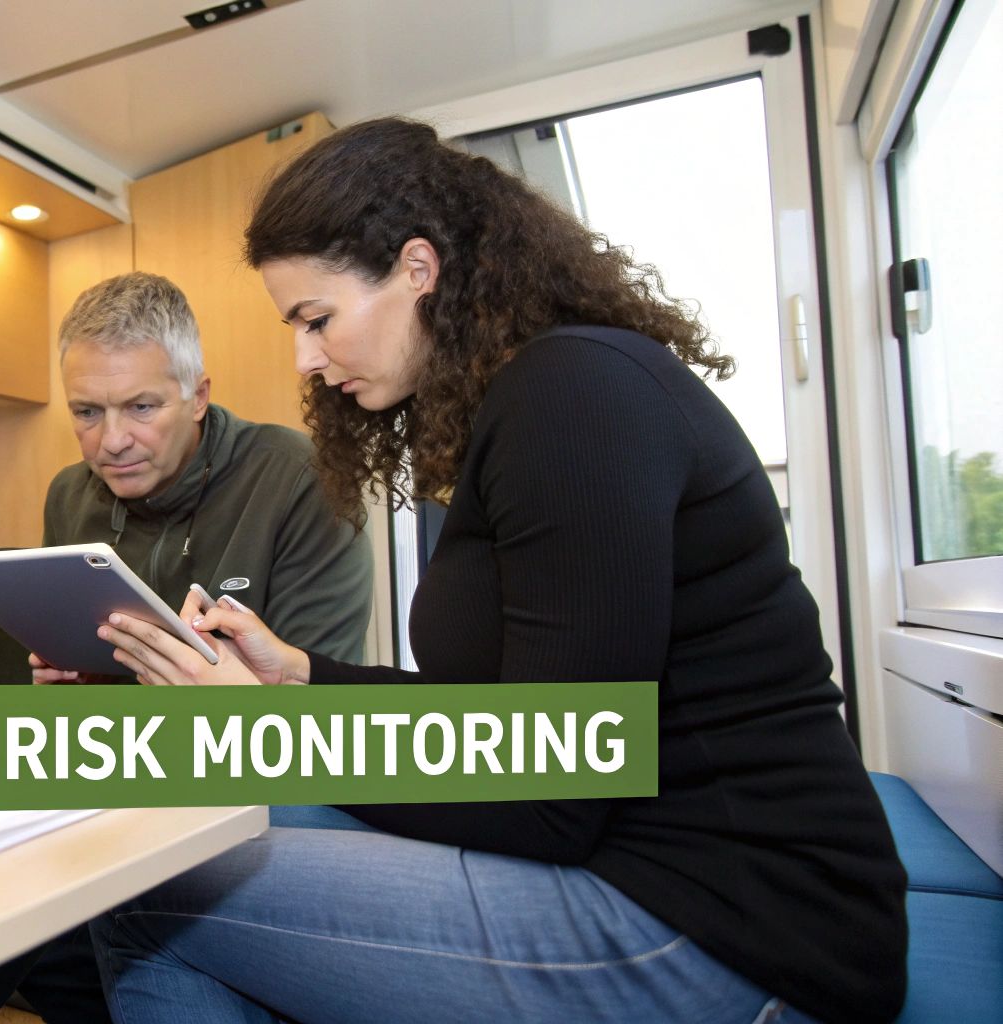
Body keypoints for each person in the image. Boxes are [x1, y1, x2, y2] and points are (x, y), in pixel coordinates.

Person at [84, 118, 908, 1023]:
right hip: (652, 872)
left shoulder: (574, 399)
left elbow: (547, 793)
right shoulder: (544, 394)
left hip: (729, 934)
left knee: (134, 885)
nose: (306, 360)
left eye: (317, 320)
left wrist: (273, 728)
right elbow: (503, 719)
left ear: (417, 270)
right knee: (207, 835)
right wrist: (300, 676)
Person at [30, 271, 372, 684]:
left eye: (140, 407)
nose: (113, 441)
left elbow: (325, 709)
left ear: (199, 398)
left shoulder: (301, 478)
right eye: (87, 412)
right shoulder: (68, 495)